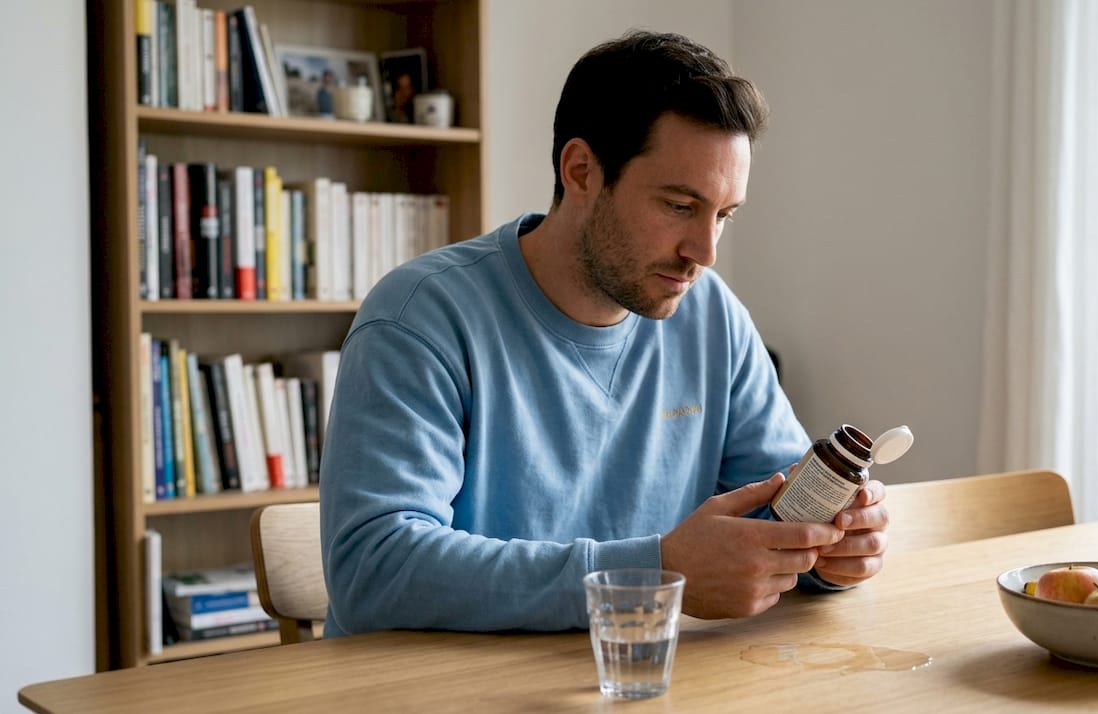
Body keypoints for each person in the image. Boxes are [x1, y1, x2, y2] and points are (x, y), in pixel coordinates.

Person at [319, 30, 889, 636]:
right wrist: (651, 573)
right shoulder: (420, 318)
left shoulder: (711, 316)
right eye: (678, 206)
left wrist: (832, 550)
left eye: (723, 215)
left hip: (634, 684)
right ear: (582, 171)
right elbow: (371, 572)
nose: (705, 251)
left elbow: (775, 522)